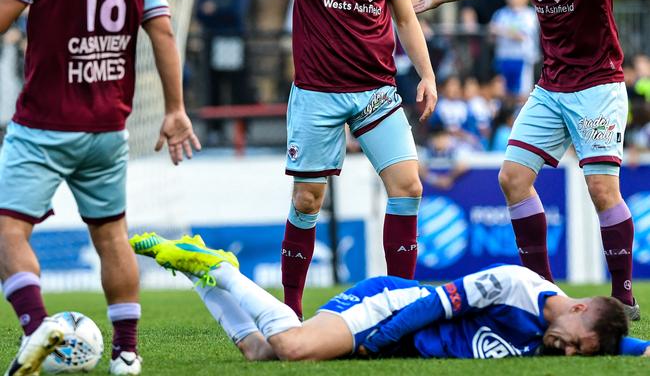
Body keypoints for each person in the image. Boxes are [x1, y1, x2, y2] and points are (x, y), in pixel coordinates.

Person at [195, 0, 438, 319]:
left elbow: (404, 18)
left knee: (409, 187)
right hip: (318, 94)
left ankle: (403, 304)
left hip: (376, 92)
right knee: (308, 201)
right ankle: (290, 311)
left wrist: (427, 73)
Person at [414, 0, 650, 320]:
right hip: (551, 87)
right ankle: (545, 296)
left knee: (601, 189)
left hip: (598, 85)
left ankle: (623, 296)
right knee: (512, 178)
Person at [0, 0, 201, 374]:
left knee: (8, 232)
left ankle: (36, 328)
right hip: (109, 126)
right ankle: (127, 354)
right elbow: (163, 33)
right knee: (112, 236)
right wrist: (175, 109)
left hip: (44, 124)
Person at [129, 232, 650, 361]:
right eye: (578, 343)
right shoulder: (517, 284)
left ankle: (202, 270)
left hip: (397, 327)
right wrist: (377, 340)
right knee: (291, 348)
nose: (569, 352)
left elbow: (629, 347)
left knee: (260, 351)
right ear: (580, 308)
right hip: (390, 306)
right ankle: (220, 269)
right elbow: (432, 305)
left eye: (583, 354)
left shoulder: (572, 335)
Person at [489, 0, 540, 100]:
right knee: (503, 94)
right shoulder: (499, 14)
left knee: (522, 94)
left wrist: (500, 30)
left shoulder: (530, 14)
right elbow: (491, 38)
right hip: (503, 58)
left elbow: (521, 36)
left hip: (522, 59)